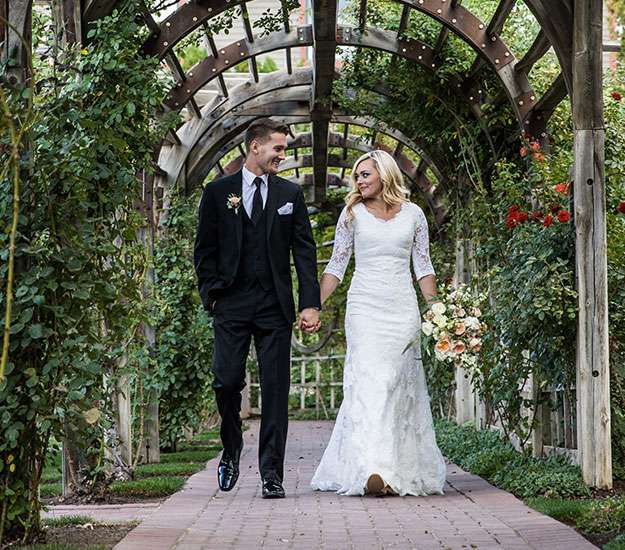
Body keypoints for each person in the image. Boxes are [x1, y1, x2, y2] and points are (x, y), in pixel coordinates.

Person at [194, 118, 321, 499]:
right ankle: (231, 449)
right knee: (226, 380)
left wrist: (310, 303)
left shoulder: (289, 194)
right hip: (231, 304)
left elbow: (304, 250)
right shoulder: (218, 192)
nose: (282, 155)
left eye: (283, 149)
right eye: (278, 149)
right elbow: (204, 250)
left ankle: (271, 474)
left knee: (276, 390)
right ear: (255, 146)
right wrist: (212, 296)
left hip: (273, 306)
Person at [310, 149, 446, 496]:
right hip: (364, 308)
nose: (359, 181)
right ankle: (373, 467)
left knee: (397, 385)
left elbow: (424, 266)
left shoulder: (414, 215)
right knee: (372, 382)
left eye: (365, 174)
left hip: (402, 309)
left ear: (385, 174)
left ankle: (395, 466)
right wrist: (313, 306)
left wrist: (439, 314)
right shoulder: (352, 214)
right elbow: (337, 265)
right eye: (357, 176)